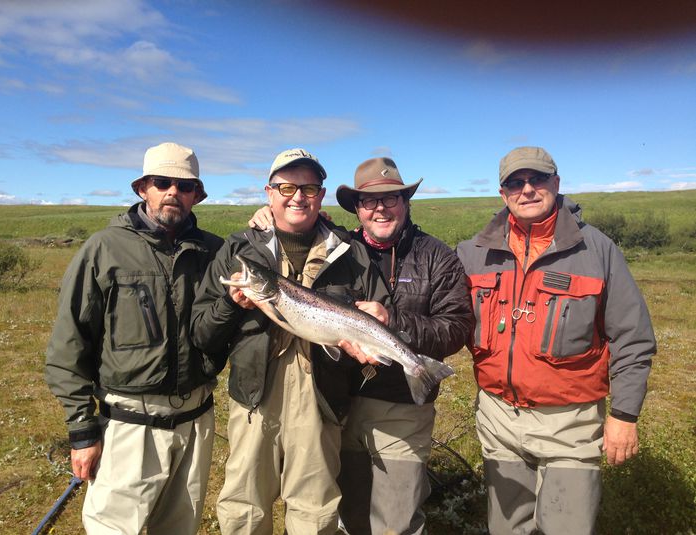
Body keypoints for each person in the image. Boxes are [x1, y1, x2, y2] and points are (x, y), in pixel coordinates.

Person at [249, 156, 474, 534]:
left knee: (397, 519)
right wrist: (265, 215)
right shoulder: (342, 248)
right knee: (350, 516)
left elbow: (457, 327)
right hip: (343, 405)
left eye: (391, 199)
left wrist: (394, 322)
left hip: (403, 407)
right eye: (369, 201)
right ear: (357, 208)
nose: (380, 208)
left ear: (406, 202)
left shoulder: (437, 258)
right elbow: (298, 218)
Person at [456, 146, 656, 535]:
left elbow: (632, 338)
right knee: (505, 528)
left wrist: (625, 415)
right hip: (498, 421)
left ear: (556, 184)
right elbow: (442, 317)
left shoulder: (596, 249)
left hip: (572, 425)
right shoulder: (472, 253)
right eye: (515, 182)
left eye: (537, 179)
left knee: (567, 527)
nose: (526, 189)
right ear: (503, 194)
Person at [190, 148, 387, 535]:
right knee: (244, 510)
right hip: (253, 399)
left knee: (315, 514)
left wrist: (379, 318)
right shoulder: (238, 250)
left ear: (321, 195)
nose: (298, 196)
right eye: (287, 187)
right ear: (269, 193)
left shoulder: (352, 253)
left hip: (322, 399)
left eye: (309, 187)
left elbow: (377, 314)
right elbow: (202, 332)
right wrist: (232, 305)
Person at [45, 142, 224, 534]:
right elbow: (68, 345)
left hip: (197, 422)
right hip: (129, 425)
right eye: (162, 182)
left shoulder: (215, 252)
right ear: (144, 188)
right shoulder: (103, 249)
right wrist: (81, 429)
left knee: (181, 527)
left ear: (197, 194)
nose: (172, 191)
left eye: (184, 184)